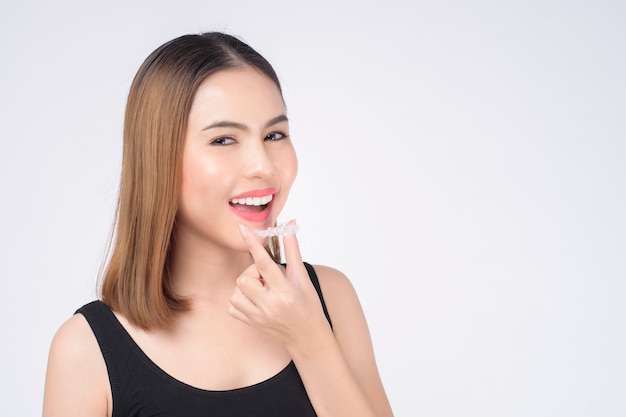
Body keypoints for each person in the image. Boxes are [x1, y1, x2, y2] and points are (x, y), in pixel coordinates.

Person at [42, 32, 394, 417]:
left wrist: (310, 339)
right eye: (224, 140)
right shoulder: (84, 351)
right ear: (159, 160)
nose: (263, 165)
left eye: (275, 134)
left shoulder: (331, 298)